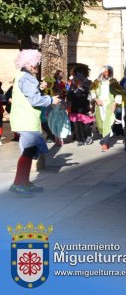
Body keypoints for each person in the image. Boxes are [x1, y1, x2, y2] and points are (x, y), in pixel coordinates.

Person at [9, 50, 61, 195]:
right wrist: (52, 100)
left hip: (24, 118)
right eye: (36, 64)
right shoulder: (27, 78)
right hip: (26, 119)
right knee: (28, 151)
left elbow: (29, 94)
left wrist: (39, 87)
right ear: (30, 64)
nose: (38, 67)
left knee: (30, 151)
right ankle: (19, 183)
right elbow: (35, 100)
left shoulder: (22, 76)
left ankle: (23, 182)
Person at [90, 65, 126, 152]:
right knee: (100, 125)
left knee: (108, 123)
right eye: (105, 72)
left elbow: (118, 93)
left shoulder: (113, 82)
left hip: (109, 105)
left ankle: (105, 143)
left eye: (108, 72)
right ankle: (105, 137)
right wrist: (96, 99)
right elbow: (92, 91)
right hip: (99, 105)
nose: (107, 73)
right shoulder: (96, 82)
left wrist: (114, 103)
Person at [67, 74, 94, 146]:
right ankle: (80, 140)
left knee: (86, 126)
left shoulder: (86, 90)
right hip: (75, 110)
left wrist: (91, 110)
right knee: (77, 127)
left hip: (85, 110)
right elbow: (69, 100)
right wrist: (67, 107)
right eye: (76, 81)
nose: (78, 83)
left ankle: (88, 136)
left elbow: (90, 100)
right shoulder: (71, 90)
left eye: (79, 81)